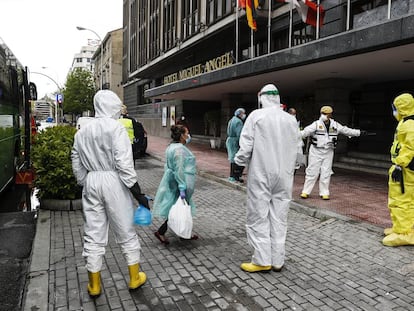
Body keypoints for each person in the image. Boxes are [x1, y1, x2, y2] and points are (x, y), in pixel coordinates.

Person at [71, 90, 149, 297]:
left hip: (92, 181)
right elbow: (124, 164)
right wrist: (138, 193)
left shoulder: (82, 132)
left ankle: (94, 285)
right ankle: (134, 277)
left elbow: (76, 161)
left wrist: (84, 181)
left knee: (93, 233)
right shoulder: (116, 129)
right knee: (125, 231)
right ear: (112, 105)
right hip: (114, 181)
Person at [234, 84, 303, 273]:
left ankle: (262, 260)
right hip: (285, 176)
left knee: (258, 215)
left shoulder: (256, 116)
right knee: (280, 217)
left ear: (262, 97)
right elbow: (299, 147)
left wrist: (238, 161)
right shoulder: (291, 120)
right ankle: (278, 260)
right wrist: (295, 166)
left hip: (261, 172)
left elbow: (246, 145)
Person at [300, 105, 364, 200]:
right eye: (323, 113)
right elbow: (305, 132)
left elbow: (346, 131)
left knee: (326, 172)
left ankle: (324, 192)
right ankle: (306, 191)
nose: (324, 115)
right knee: (312, 171)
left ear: (330, 115)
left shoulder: (335, 125)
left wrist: (359, 132)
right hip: (316, 151)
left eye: (326, 114)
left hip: (328, 151)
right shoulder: (316, 124)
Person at [153, 125, 198, 245]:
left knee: (177, 207)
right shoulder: (179, 149)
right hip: (180, 182)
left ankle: (183, 233)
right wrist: (182, 187)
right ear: (182, 135)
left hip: (174, 181)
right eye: (187, 133)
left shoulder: (172, 147)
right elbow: (179, 169)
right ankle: (165, 232)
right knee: (179, 208)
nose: (188, 136)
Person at [382, 93, 414, 246]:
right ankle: (401, 228)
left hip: (405, 169)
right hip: (404, 167)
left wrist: (400, 165)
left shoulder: (410, 124)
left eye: (395, 108)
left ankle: (403, 233)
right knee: (403, 200)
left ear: (401, 107)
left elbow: (410, 147)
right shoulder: (406, 122)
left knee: (401, 200)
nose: (394, 111)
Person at [226, 108, 246, 182]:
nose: (243, 115)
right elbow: (240, 134)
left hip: (230, 140)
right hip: (235, 141)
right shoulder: (238, 122)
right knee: (237, 159)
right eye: (243, 113)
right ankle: (235, 176)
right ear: (239, 113)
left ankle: (232, 176)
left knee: (232, 159)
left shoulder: (232, 120)